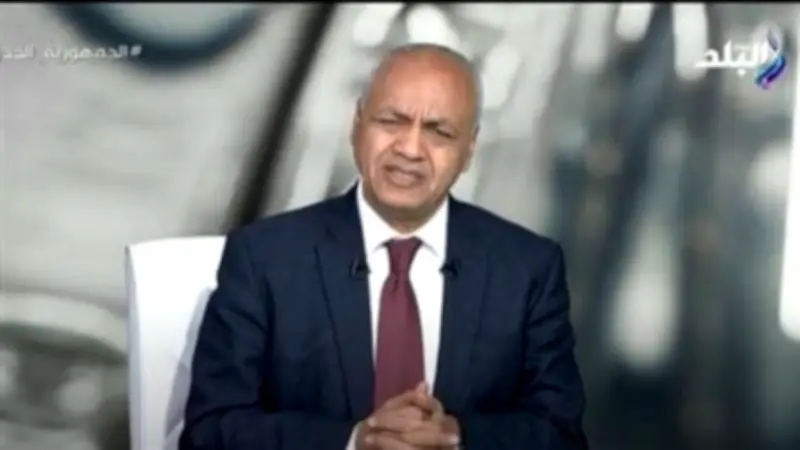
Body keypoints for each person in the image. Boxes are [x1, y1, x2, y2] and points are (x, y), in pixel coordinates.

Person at [180, 43, 588, 450]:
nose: (409, 149)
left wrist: (455, 437)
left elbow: (561, 435)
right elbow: (208, 433)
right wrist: (355, 441)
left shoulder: (529, 270)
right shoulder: (263, 258)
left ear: (469, 150)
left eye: (439, 132)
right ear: (357, 124)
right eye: (392, 121)